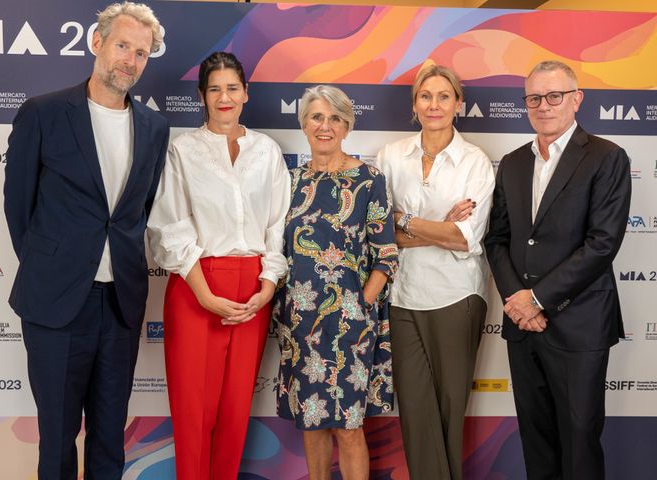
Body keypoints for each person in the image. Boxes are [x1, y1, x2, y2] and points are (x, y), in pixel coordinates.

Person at [3, 2, 169, 479]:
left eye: (141, 53)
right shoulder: (44, 113)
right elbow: (19, 208)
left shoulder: (155, 128)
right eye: (122, 46)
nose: (130, 61)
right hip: (55, 303)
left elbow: (141, 208)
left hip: (120, 304)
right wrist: (55, 266)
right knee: (56, 434)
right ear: (97, 44)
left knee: (109, 431)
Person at [146, 51, 290, 480]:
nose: (224, 97)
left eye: (232, 88)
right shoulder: (182, 151)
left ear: (246, 93)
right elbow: (169, 226)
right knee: (194, 413)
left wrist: (268, 284)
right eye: (214, 89)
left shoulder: (267, 151)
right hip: (196, 285)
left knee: (234, 411)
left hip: (255, 290)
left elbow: (278, 224)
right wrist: (204, 294)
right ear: (201, 97)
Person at [485, 60, 631, 480]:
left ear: (576, 99)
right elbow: (497, 239)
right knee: (537, 440)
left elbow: (602, 243)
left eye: (554, 96)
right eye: (534, 98)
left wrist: (537, 299)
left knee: (580, 440)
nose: (544, 106)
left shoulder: (607, 157)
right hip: (522, 325)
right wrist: (518, 301)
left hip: (579, 323)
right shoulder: (513, 162)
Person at [376, 65, 495, 480]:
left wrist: (405, 220)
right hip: (402, 297)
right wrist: (437, 227)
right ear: (414, 105)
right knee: (414, 410)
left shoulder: (475, 162)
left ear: (459, 104)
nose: (435, 105)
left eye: (444, 96)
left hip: (457, 296)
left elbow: (465, 239)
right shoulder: (390, 156)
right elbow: (378, 232)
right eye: (426, 96)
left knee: (448, 411)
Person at [274, 85, 398, 480]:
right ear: (304, 124)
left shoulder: (368, 179)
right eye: (316, 117)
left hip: (350, 324)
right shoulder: (289, 182)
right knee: (312, 422)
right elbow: (276, 251)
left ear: (347, 126)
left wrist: (361, 304)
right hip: (300, 324)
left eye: (334, 119)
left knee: (348, 425)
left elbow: (386, 253)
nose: (324, 126)